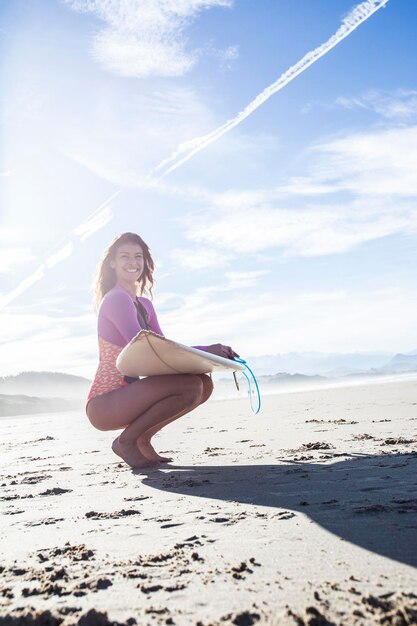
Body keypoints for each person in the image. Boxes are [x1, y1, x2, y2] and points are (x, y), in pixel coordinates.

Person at [86, 232, 238, 469]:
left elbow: (164, 352)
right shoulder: (116, 299)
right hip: (105, 403)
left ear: (145, 262)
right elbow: (149, 350)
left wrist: (211, 354)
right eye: (124, 256)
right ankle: (125, 442)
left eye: (138, 256)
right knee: (190, 385)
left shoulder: (144, 304)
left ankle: (142, 439)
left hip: (132, 395)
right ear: (113, 263)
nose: (132, 262)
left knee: (203, 384)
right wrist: (206, 349)